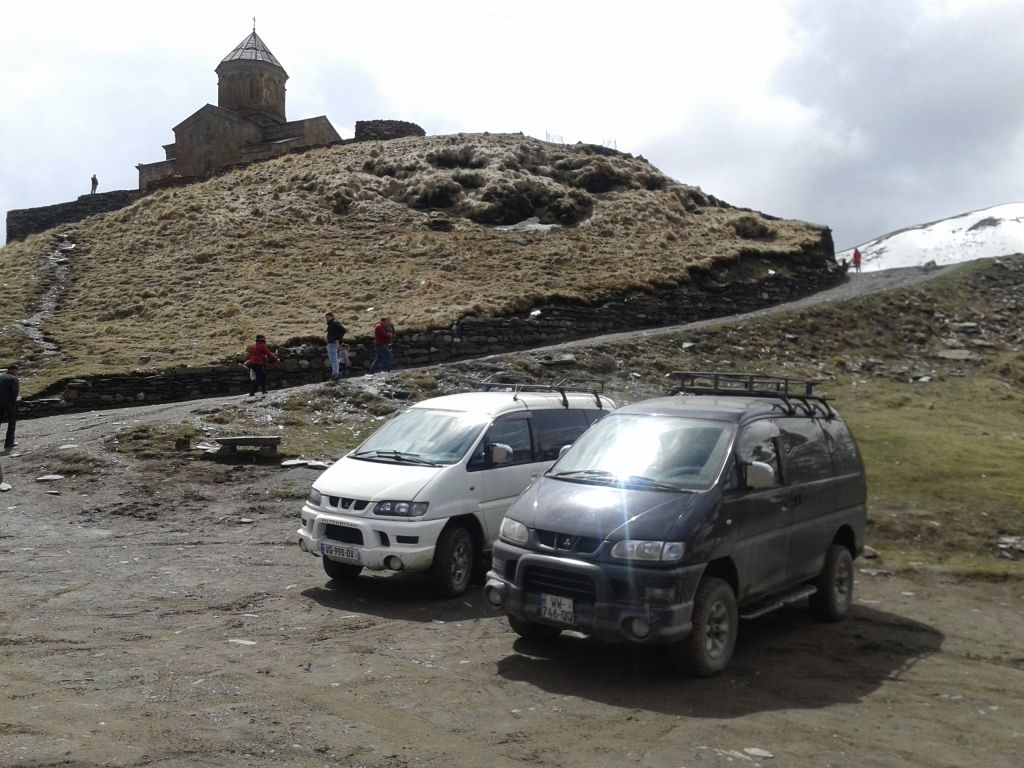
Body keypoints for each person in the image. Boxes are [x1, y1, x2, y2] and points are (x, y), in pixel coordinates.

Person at [0, 363, 20, 453]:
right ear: (13, 370)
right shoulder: (13, 378)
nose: (17, 373)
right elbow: (14, 392)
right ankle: (9, 443)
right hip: (8, 404)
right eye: (17, 371)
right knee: (12, 422)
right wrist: (13, 402)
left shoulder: (1, 377)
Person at [324, 312, 347, 380]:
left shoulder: (334, 323)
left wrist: (337, 339)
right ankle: (335, 374)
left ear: (331, 317)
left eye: (327, 317)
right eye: (326, 317)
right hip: (330, 343)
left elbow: (343, 330)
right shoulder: (331, 324)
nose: (326, 319)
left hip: (333, 343)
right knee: (333, 359)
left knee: (334, 359)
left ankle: (335, 374)